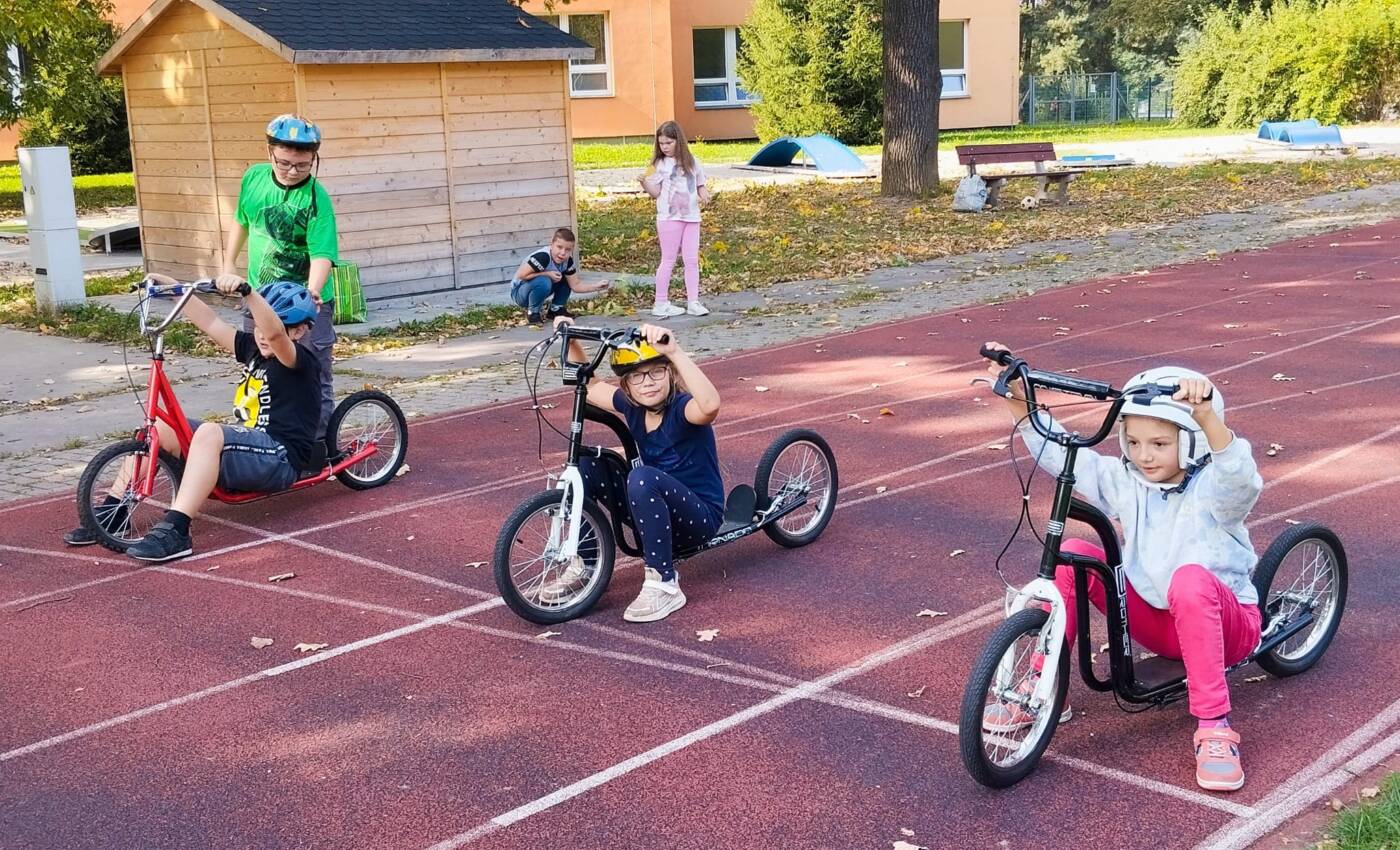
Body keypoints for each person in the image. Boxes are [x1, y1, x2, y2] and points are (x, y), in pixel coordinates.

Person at [981, 343, 1264, 793]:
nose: (1144, 455)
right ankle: (1043, 689)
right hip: (1158, 623)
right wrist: (1020, 400)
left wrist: (1209, 418)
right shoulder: (1129, 481)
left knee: (1190, 580)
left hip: (1227, 629)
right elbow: (1067, 457)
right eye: (1133, 443)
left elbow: (1240, 482)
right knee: (1075, 554)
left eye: (1159, 444)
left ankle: (1214, 726)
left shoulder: (1214, 488)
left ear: (1191, 442)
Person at [64, 276, 323, 561]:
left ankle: (177, 530)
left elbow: (275, 336)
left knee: (210, 432)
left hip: (280, 457)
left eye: (274, 326)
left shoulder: (299, 360)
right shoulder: (252, 347)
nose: (262, 334)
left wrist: (248, 293)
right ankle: (115, 512)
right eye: (257, 326)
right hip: (250, 448)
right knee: (161, 428)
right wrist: (175, 287)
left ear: (298, 331)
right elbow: (210, 322)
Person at [547, 317, 723, 622]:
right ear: (626, 386)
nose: (648, 382)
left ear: (670, 374)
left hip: (699, 517)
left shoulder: (683, 409)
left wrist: (674, 352)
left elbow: (709, 405)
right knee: (588, 464)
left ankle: (664, 584)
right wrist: (572, 338)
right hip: (655, 506)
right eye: (637, 377)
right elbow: (591, 384)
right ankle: (586, 564)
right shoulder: (633, 407)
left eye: (656, 372)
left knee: (641, 477)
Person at [216, 114, 339, 447]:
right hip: (261, 297)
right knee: (260, 370)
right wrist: (228, 265)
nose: (292, 171)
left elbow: (322, 254)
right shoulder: (254, 179)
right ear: (268, 152)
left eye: (302, 165)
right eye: (284, 163)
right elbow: (241, 221)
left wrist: (313, 291)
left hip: (304, 303)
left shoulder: (316, 199)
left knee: (313, 376)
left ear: (313, 159)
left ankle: (317, 448)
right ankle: (260, 443)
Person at [638, 121, 711, 319]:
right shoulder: (656, 164)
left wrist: (704, 193)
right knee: (668, 259)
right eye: (661, 143)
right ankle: (660, 302)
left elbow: (700, 184)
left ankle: (693, 302)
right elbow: (654, 192)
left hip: (692, 217)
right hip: (669, 218)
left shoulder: (693, 161)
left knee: (691, 260)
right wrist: (644, 183)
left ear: (679, 141)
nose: (665, 147)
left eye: (668, 143)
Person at [509, 227, 610, 326]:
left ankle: (556, 309)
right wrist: (547, 273)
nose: (563, 253)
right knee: (544, 280)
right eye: (559, 247)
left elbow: (575, 285)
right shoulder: (543, 257)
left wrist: (597, 286)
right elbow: (521, 275)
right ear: (551, 244)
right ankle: (533, 313)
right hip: (520, 292)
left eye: (568, 250)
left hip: (540, 287)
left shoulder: (568, 261)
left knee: (565, 278)